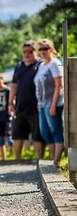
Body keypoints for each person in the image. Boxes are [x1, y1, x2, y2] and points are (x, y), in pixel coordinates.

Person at [9, 40, 45, 160]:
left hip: (36, 107)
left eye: (30, 51)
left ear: (36, 52)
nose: (27, 54)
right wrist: (10, 103)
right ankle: (17, 160)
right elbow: (14, 85)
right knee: (17, 134)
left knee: (38, 135)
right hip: (20, 106)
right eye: (24, 52)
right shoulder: (19, 66)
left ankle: (40, 160)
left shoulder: (41, 65)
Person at [34, 38, 64, 166]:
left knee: (55, 131)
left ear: (51, 49)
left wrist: (53, 105)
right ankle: (54, 160)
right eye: (40, 49)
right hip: (42, 104)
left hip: (53, 104)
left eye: (45, 48)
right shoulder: (41, 65)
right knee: (45, 132)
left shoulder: (55, 63)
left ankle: (56, 162)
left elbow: (59, 85)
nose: (42, 51)